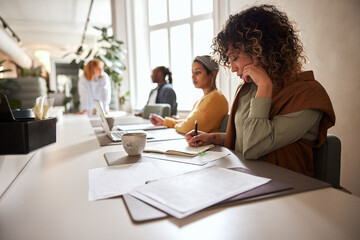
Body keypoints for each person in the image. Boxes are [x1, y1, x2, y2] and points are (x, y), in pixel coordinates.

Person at [185, 5, 335, 177]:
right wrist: (212, 138)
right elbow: (244, 137)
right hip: (246, 178)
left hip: (288, 190)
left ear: (261, 50)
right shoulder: (248, 88)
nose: (232, 68)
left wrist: (265, 85)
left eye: (235, 58)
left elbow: (253, 147)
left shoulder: (307, 94)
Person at [150, 55, 229, 134]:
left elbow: (188, 128)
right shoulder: (205, 98)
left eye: (197, 72)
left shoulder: (215, 100)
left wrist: (168, 123)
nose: (193, 77)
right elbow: (188, 122)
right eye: (192, 73)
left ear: (212, 74)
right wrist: (164, 122)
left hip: (210, 146)